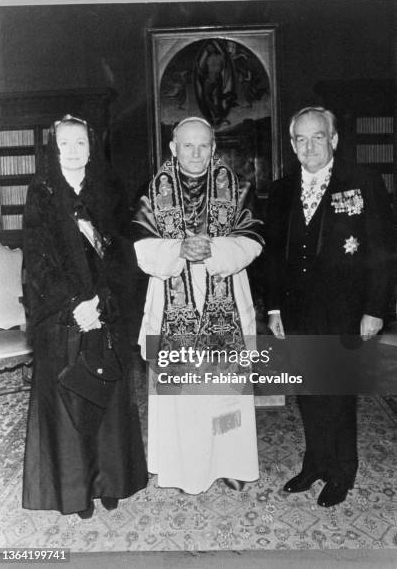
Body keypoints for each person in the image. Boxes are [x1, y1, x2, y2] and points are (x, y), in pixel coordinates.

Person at [264, 106, 394, 507]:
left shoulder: (363, 181)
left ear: (334, 139)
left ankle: (342, 471)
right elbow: (272, 257)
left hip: (345, 309)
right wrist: (273, 310)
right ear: (291, 145)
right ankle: (315, 463)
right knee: (307, 391)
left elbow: (383, 251)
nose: (309, 146)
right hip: (296, 310)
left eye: (317, 136)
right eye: (300, 139)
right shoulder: (282, 188)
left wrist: (375, 309)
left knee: (338, 394)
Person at [22, 114, 148, 518]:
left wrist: (102, 301)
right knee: (69, 400)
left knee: (107, 400)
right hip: (61, 316)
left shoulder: (110, 189)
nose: (73, 152)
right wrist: (76, 302)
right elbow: (37, 261)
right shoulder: (40, 194)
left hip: (106, 313)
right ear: (53, 149)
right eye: (65, 144)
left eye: (81, 143)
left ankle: (109, 481)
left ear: (92, 147)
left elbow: (124, 254)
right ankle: (77, 491)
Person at [133, 116, 264, 494]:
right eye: (187, 146)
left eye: (203, 145)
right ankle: (180, 466)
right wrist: (177, 249)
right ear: (173, 148)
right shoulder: (152, 191)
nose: (195, 153)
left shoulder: (237, 187)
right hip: (172, 305)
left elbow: (253, 240)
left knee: (224, 395)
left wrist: (213, 249)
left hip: (224, 302)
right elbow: (140, 248)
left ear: (214, 148)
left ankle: (229, 462)